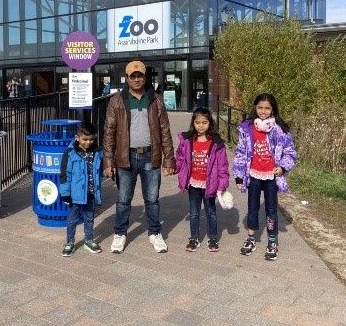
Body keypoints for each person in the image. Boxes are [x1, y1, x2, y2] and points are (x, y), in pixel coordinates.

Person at [103, 60, 175, 253]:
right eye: (133, 76)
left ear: (145, 77)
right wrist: (108, 161)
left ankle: (154, 232)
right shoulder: (116, 100)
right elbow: (109, 132)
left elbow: (165, 130)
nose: (137, 79)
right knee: (124, 199)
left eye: (140, 75)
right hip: (125, 157)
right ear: (127, 78)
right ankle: (120, 233)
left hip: (150, 156)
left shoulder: (155, 99)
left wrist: (169, 159)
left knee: (152, 199)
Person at [233, 93, 297, 261]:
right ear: (255, 108)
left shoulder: (280, 130)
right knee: (252, 208)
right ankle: (251, 238)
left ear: (273, 109)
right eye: (260, 107)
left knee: (271, 210)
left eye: (267, 108)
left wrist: (282, 167)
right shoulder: (247, 128)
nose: (263, 111)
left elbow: (290, 152)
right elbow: (240, 153)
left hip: (271, 177)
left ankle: (272, 242)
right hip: (253, 175)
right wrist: (239, 177)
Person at [176, 107, 230, 252]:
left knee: (211, 212)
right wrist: (175, 169)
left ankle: (212, 238)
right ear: (193, 123)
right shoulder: (187, 141)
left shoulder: (217, 144)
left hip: (210, 184)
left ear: (210, 123)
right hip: (193, 183)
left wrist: (222, 183)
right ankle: (194, 238)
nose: (201, 125)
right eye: (198, 122)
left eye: (204, 122)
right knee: (194, 212)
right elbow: (180, 158)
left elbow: (223, 166)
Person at [59, 122, 103, 257]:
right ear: (77, 138)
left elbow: (100, 170)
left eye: (91, 139)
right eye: (85, 139)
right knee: (72, 219)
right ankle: (70, 242)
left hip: (90, 192)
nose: (88, 142)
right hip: (75, 194)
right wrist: (65, 193)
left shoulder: (98, 152)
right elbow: (65, 174)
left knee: (89, 218)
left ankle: (88, 240)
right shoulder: (70, 153)